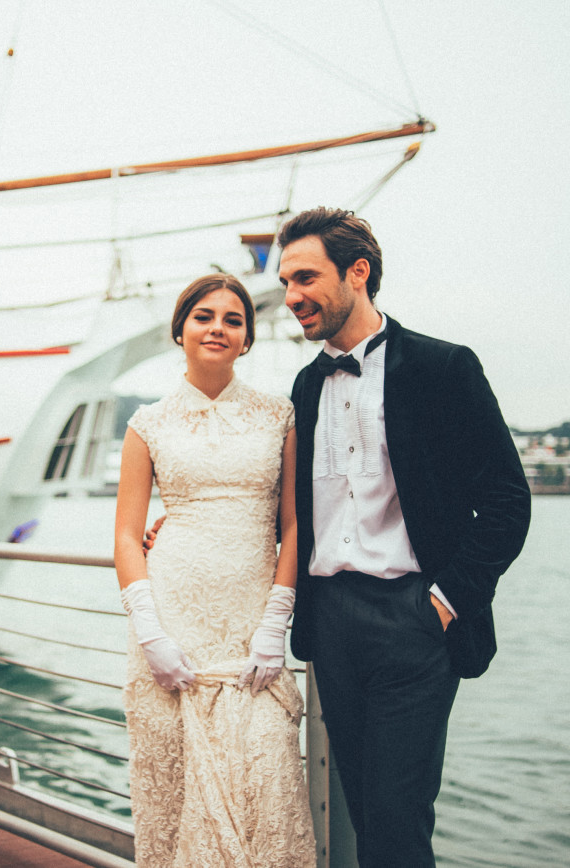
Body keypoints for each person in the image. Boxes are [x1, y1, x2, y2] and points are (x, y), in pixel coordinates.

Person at [278, 206, 531, 867]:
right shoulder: (305, 388)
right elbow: (291, 510)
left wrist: (447, 601)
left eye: (305, 278)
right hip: (331, 626)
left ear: (357, 272)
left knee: (396, 819)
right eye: (285, 283)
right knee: (364, 807)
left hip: (415, 621)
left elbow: (506, 499)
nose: (291, 297)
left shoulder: (444, 368)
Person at [114, 273, 316, 867]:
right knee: (176, 800)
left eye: (233, 319)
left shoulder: (280, 416)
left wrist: (275, 624)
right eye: (204, 316)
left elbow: (296, 525)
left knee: (267, 782)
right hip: (171, 626)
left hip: (253, 627)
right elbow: (127, 535)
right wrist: (150, 632)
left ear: (248, 338)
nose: (218, 328)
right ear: (180, 330)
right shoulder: (146, 424)